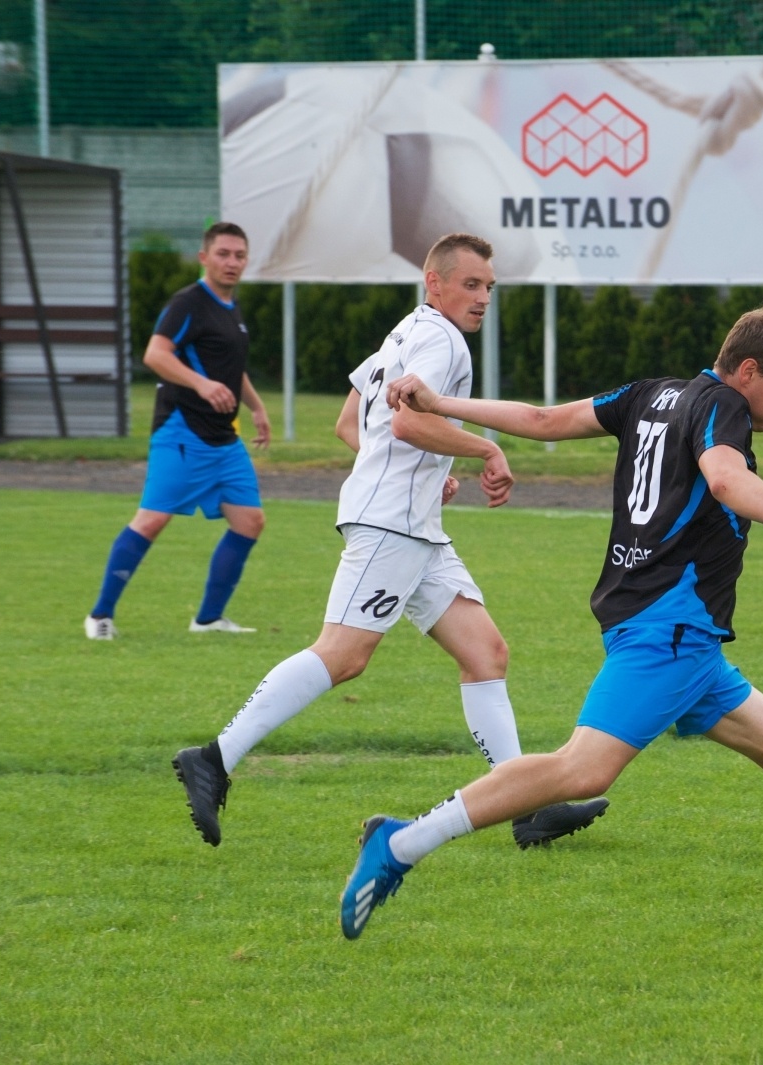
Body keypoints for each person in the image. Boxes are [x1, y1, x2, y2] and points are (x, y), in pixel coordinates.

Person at [338, 304, 763, 953]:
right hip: (670, 628)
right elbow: (725, 477)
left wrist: (440, 402)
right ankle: (401, 843)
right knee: (581, 770)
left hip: (680, 638)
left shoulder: (650, 393)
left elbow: (543, 421)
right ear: (747, 371)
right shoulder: (724, 406)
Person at [172, 233, 608, 851]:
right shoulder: (442, 339)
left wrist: (428, 469)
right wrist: (484, 449)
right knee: (343, 654)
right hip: (391, 524)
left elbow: (352, 423)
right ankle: (214, 757)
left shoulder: (402, 333)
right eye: (471, 285)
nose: (483, 298)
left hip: (413, 524)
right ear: (435, 283)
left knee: (486, 654)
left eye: (489, 287)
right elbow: (406, 423)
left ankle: (525, 807)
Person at [85, 222, 271, 639]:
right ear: (204, 258)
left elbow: (231, 368)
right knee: (151, 521)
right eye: (223, 254)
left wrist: (257, 407)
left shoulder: (231, 307)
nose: (232, 262)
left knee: (250, 521)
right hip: (182, 431)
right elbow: (155, 354)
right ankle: (99, 616)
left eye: (239, 255)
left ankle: (208, 620)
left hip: (223, 439)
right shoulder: (188, 302)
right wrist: (201, 384)